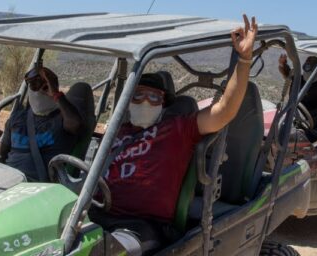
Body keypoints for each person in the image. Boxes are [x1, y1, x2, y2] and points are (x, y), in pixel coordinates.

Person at [89, 14, 259, 255]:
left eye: (154, 97)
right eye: (138, 95)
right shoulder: (118, 131)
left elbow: (223, 111)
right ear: (128, 101)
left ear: (163, 104)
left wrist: (244, 59)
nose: (145, 102)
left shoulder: (178, 129)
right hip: (95, 212)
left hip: (140, 226)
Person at [0, 65, 87, 181]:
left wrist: (56, 94)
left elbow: (76, 125)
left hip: (38, 186)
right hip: (8, 181)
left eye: (44, 85)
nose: (38, 90)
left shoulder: (63, 118)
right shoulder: (18, 118)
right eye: (33, 85)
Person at [278, 54, 317, 125]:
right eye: (307, 66)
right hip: (290, 116)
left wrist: (303, 118)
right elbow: (288, 73)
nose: (308, 71)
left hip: (306, 123)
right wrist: (283, 64)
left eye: (313, 69)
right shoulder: (298, 80)